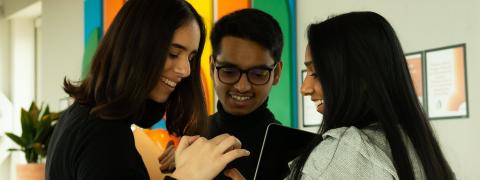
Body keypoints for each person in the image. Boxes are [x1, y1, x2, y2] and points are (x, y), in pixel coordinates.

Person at [45, 0, 249, 179]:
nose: (186, 70)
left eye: (190, 58)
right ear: (134, 48)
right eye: (173, 53)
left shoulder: (82, 114)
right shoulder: (103, 135)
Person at [289, 11, 455, 179]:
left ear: (362, 77)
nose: (305, 88)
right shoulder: (418, 146)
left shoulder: (346, 153)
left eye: (316, 73)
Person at [159, 8, 284, 179]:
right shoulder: (193, 138)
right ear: (212, 68)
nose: (242, 86)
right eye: (229, 71)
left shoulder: (290, 149)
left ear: (276, 73)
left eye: (257, 74)